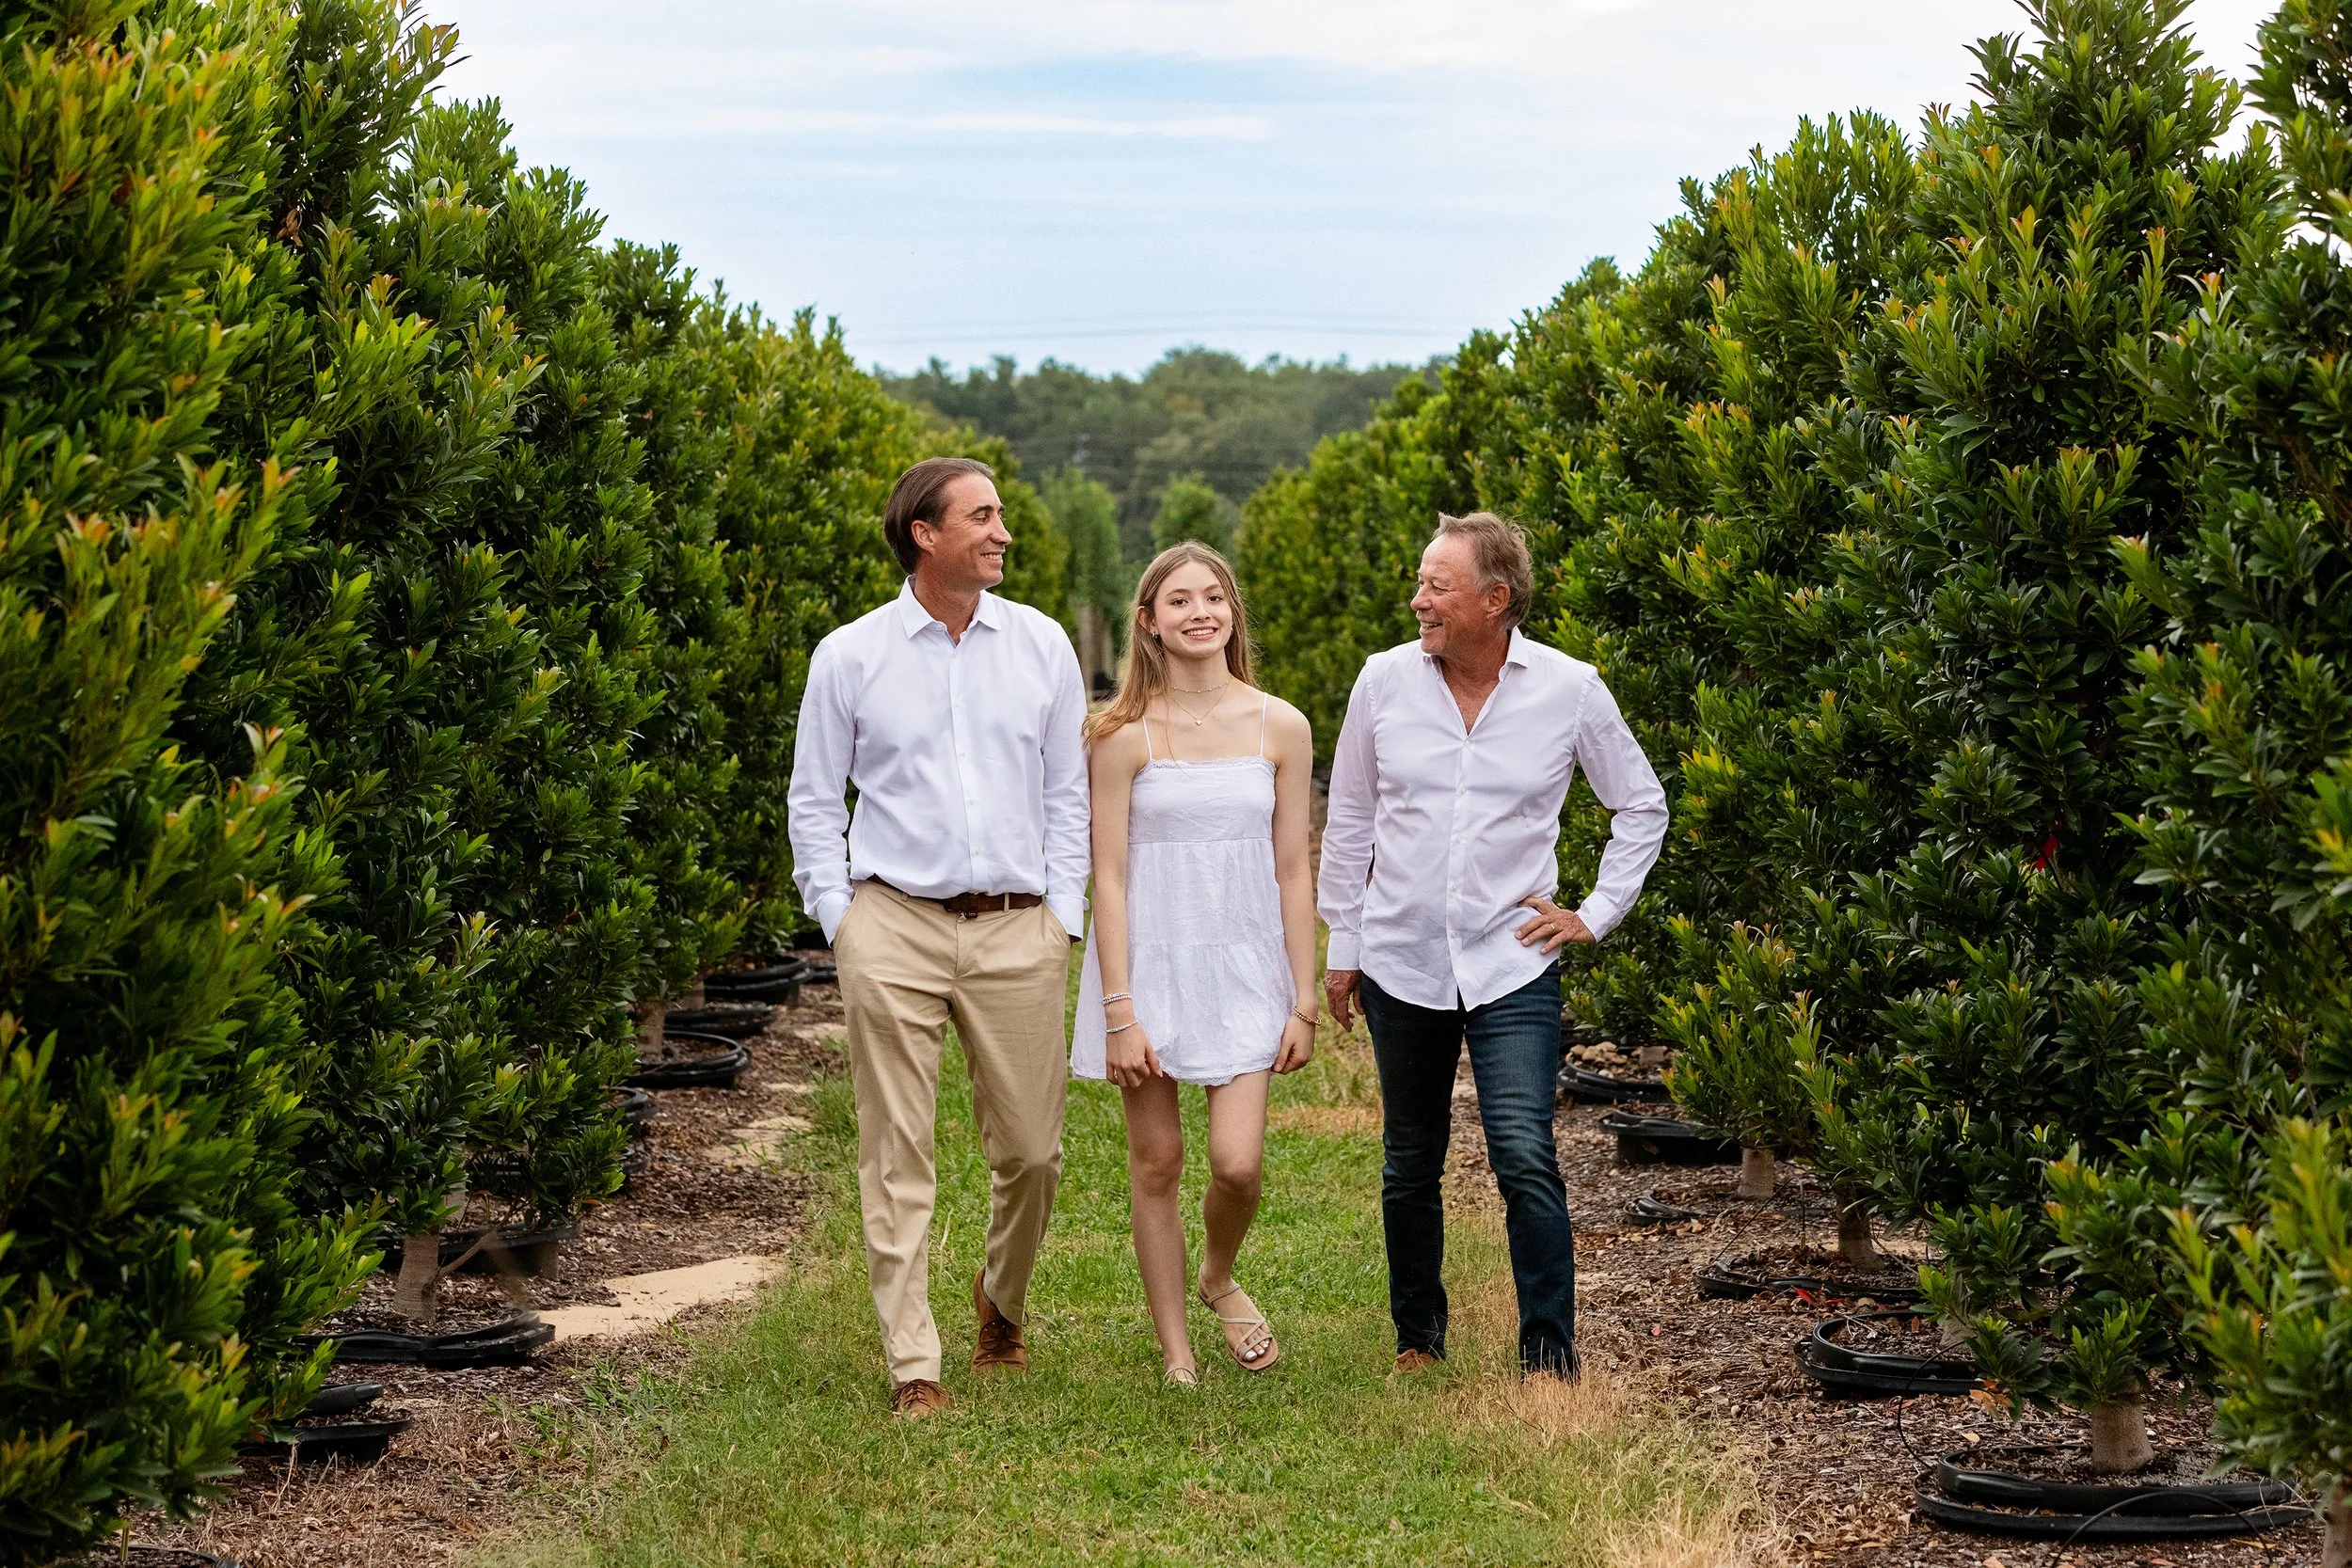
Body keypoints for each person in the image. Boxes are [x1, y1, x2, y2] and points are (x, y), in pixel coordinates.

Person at [1318, 512, 1667, 1381]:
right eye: (1422, 581)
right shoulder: (1383, 681)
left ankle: (1549, 1356)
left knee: (1523, 1151)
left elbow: (1641, 805)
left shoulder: (1570, 688)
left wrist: (1594, 910)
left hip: (1512, 958)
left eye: (1438, 585)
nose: (1419, 599)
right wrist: (1344, 940)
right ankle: (1418, 1339)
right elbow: (1351, 816)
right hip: (1401, 955)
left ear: (1495, 600)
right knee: (1411, 1155)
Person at [787, 456, 1088, 1418]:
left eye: (1001, 514)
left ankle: (1000, 1301)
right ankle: (913, 1361)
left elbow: (1066, 792)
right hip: (892, 926)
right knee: (896, 1149)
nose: (1003, 532)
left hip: (1015, 928)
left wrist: (1063, 914)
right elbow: (812, 798)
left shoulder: (1040, 645)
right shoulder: (850, 654)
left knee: (1033, 1151)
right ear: (926, 532)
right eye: (984, 516)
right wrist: (841, 921)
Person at [1072, 542, 1318, 1386]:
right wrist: (1118, 1007)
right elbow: (1105, 874)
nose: (1199, 612)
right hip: (1149, 965)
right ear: (1149, 622)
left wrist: (1305, 995)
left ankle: (1217, 1272)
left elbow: (1294, 867)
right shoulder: (1119, 735)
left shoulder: (1280, 725)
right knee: (1158, 1162)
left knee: (1236, 1164)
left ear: (1232, 613)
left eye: (1213, 596)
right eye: (1179, 601)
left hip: (1248, 963)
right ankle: (1176, 1350)